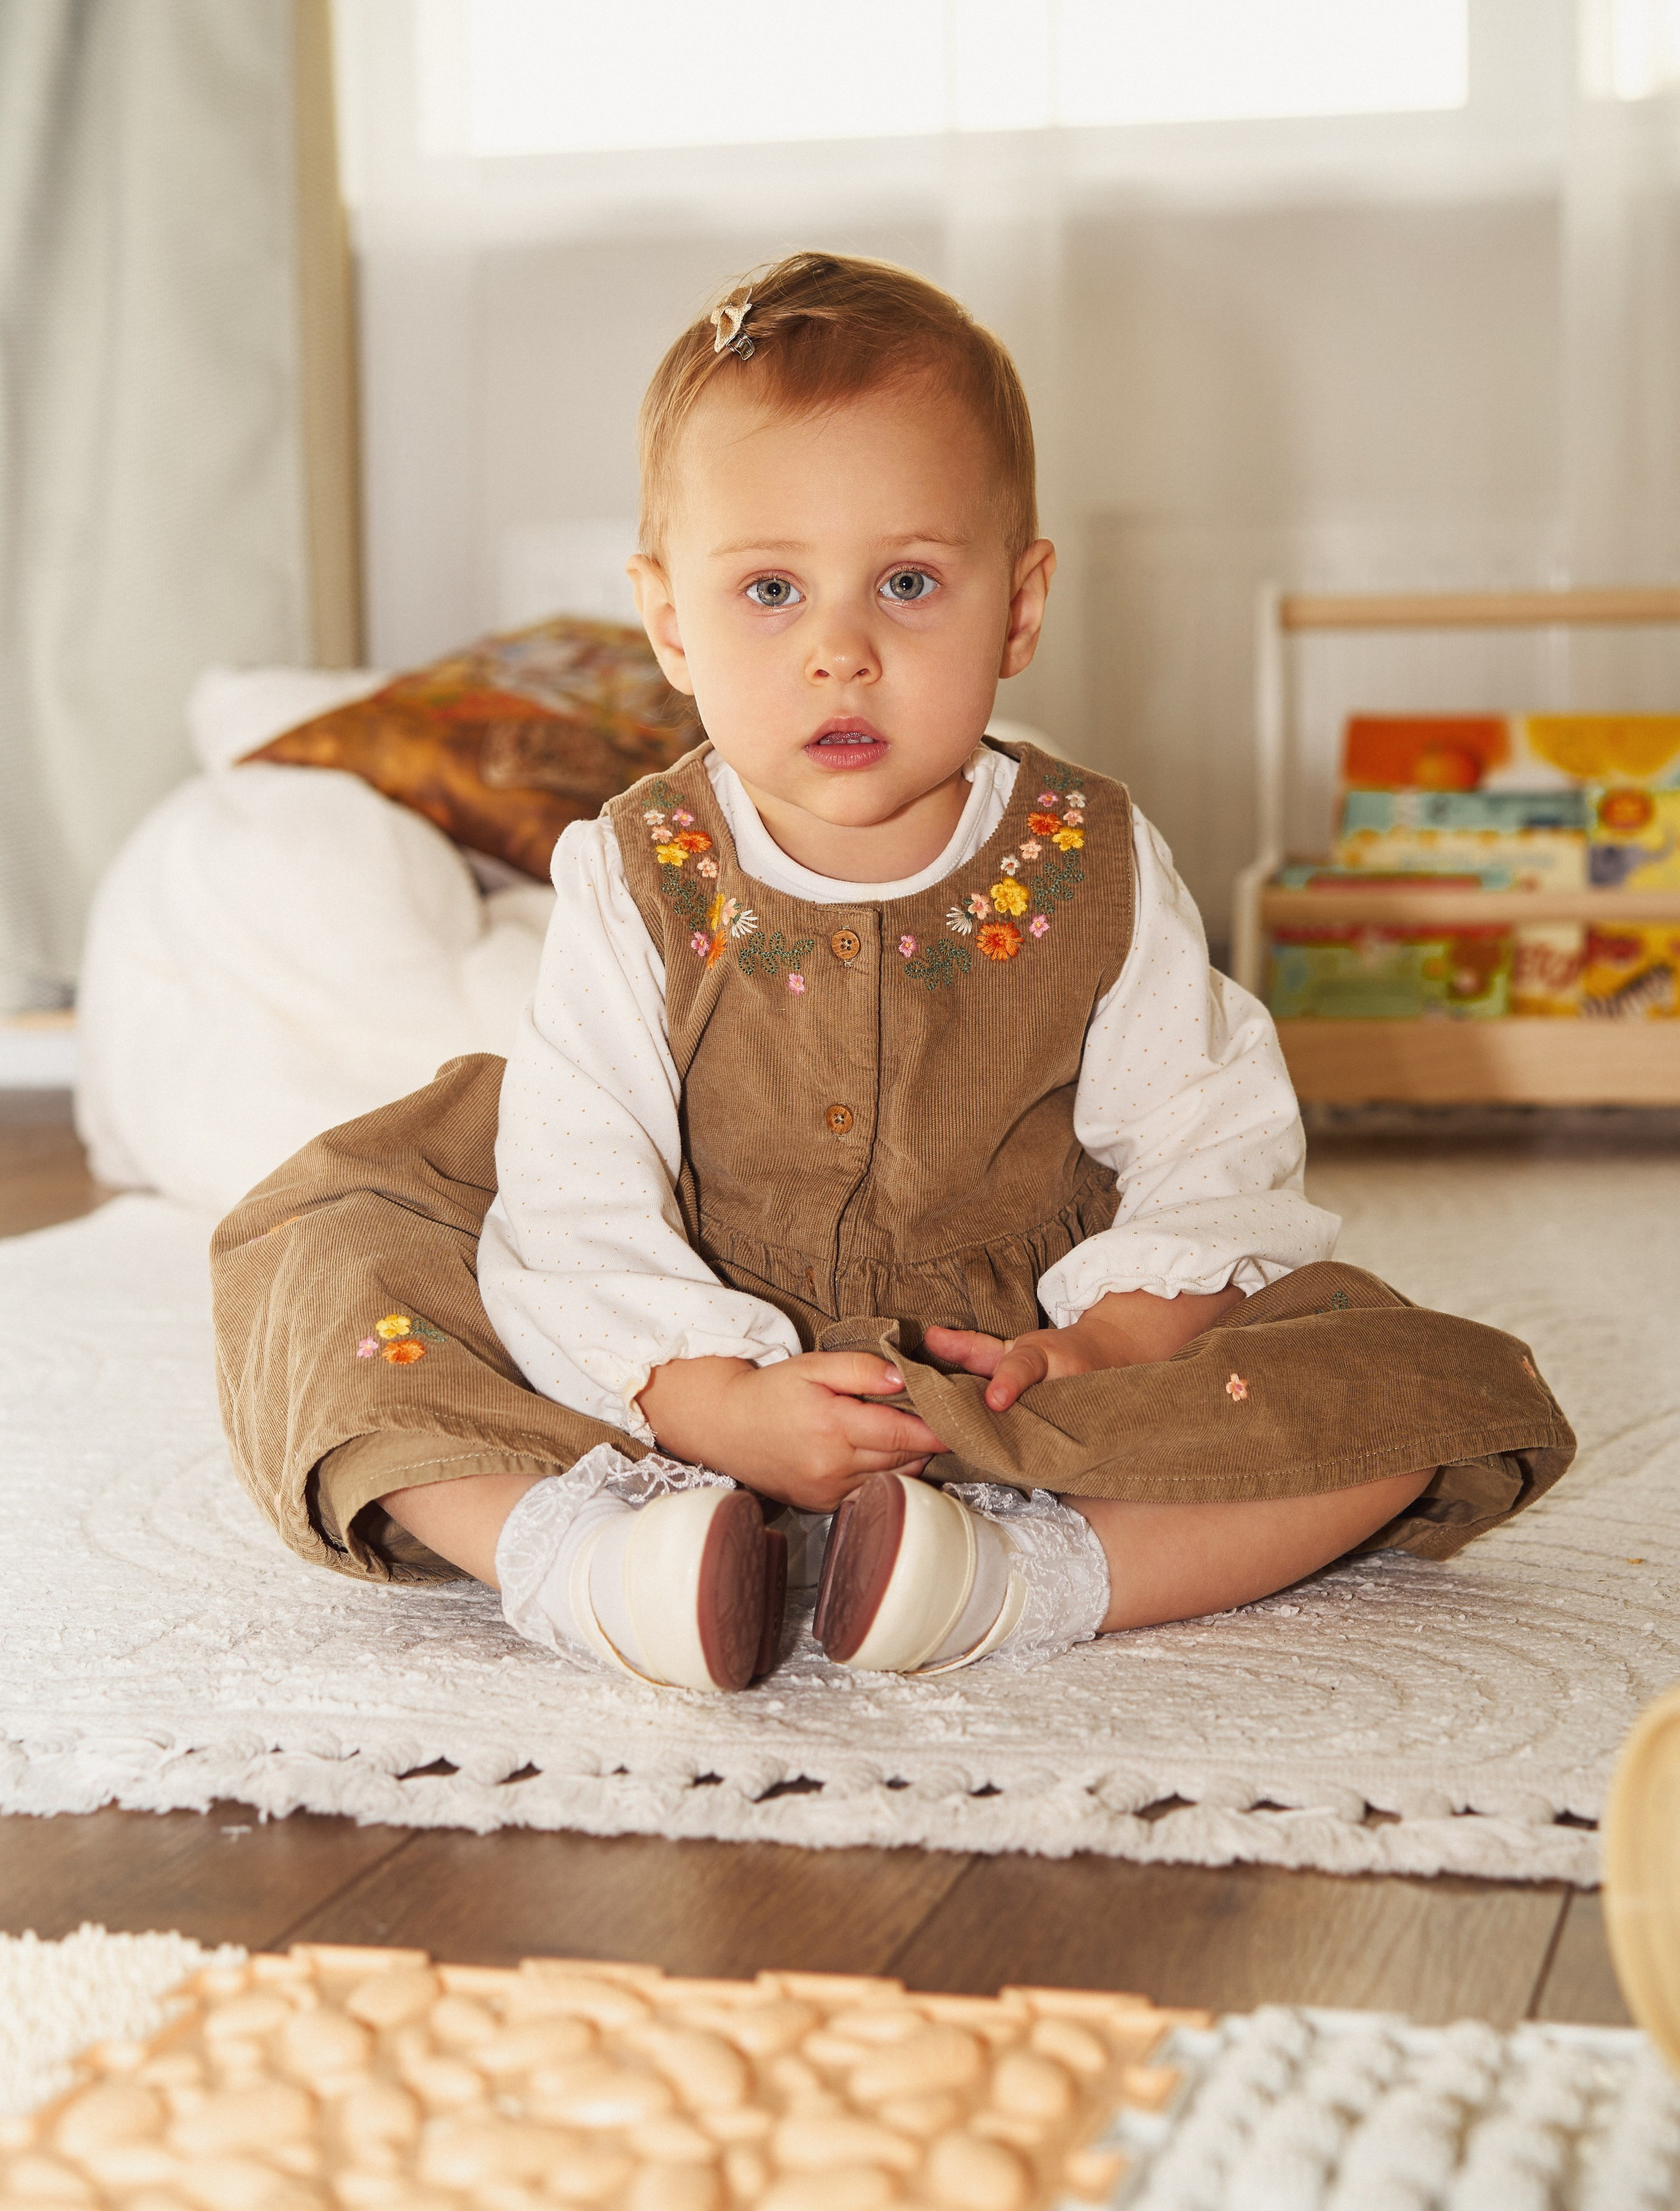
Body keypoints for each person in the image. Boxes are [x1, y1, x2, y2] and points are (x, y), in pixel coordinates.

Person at [212, 253, 1574, 1696]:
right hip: (654, 1346)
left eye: (908, 582)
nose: (840, 653)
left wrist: (1110, 1336)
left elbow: (1205, 1131)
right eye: (771, 591)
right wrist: (706, 1397)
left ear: (1018, 605)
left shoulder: (1089, 854)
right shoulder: (633, 868)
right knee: (330, 1255)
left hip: (1012, 1354)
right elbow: (574, 1185)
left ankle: (1004, 1578)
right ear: (671, 621)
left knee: (1421, 1383)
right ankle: (596, 1560)